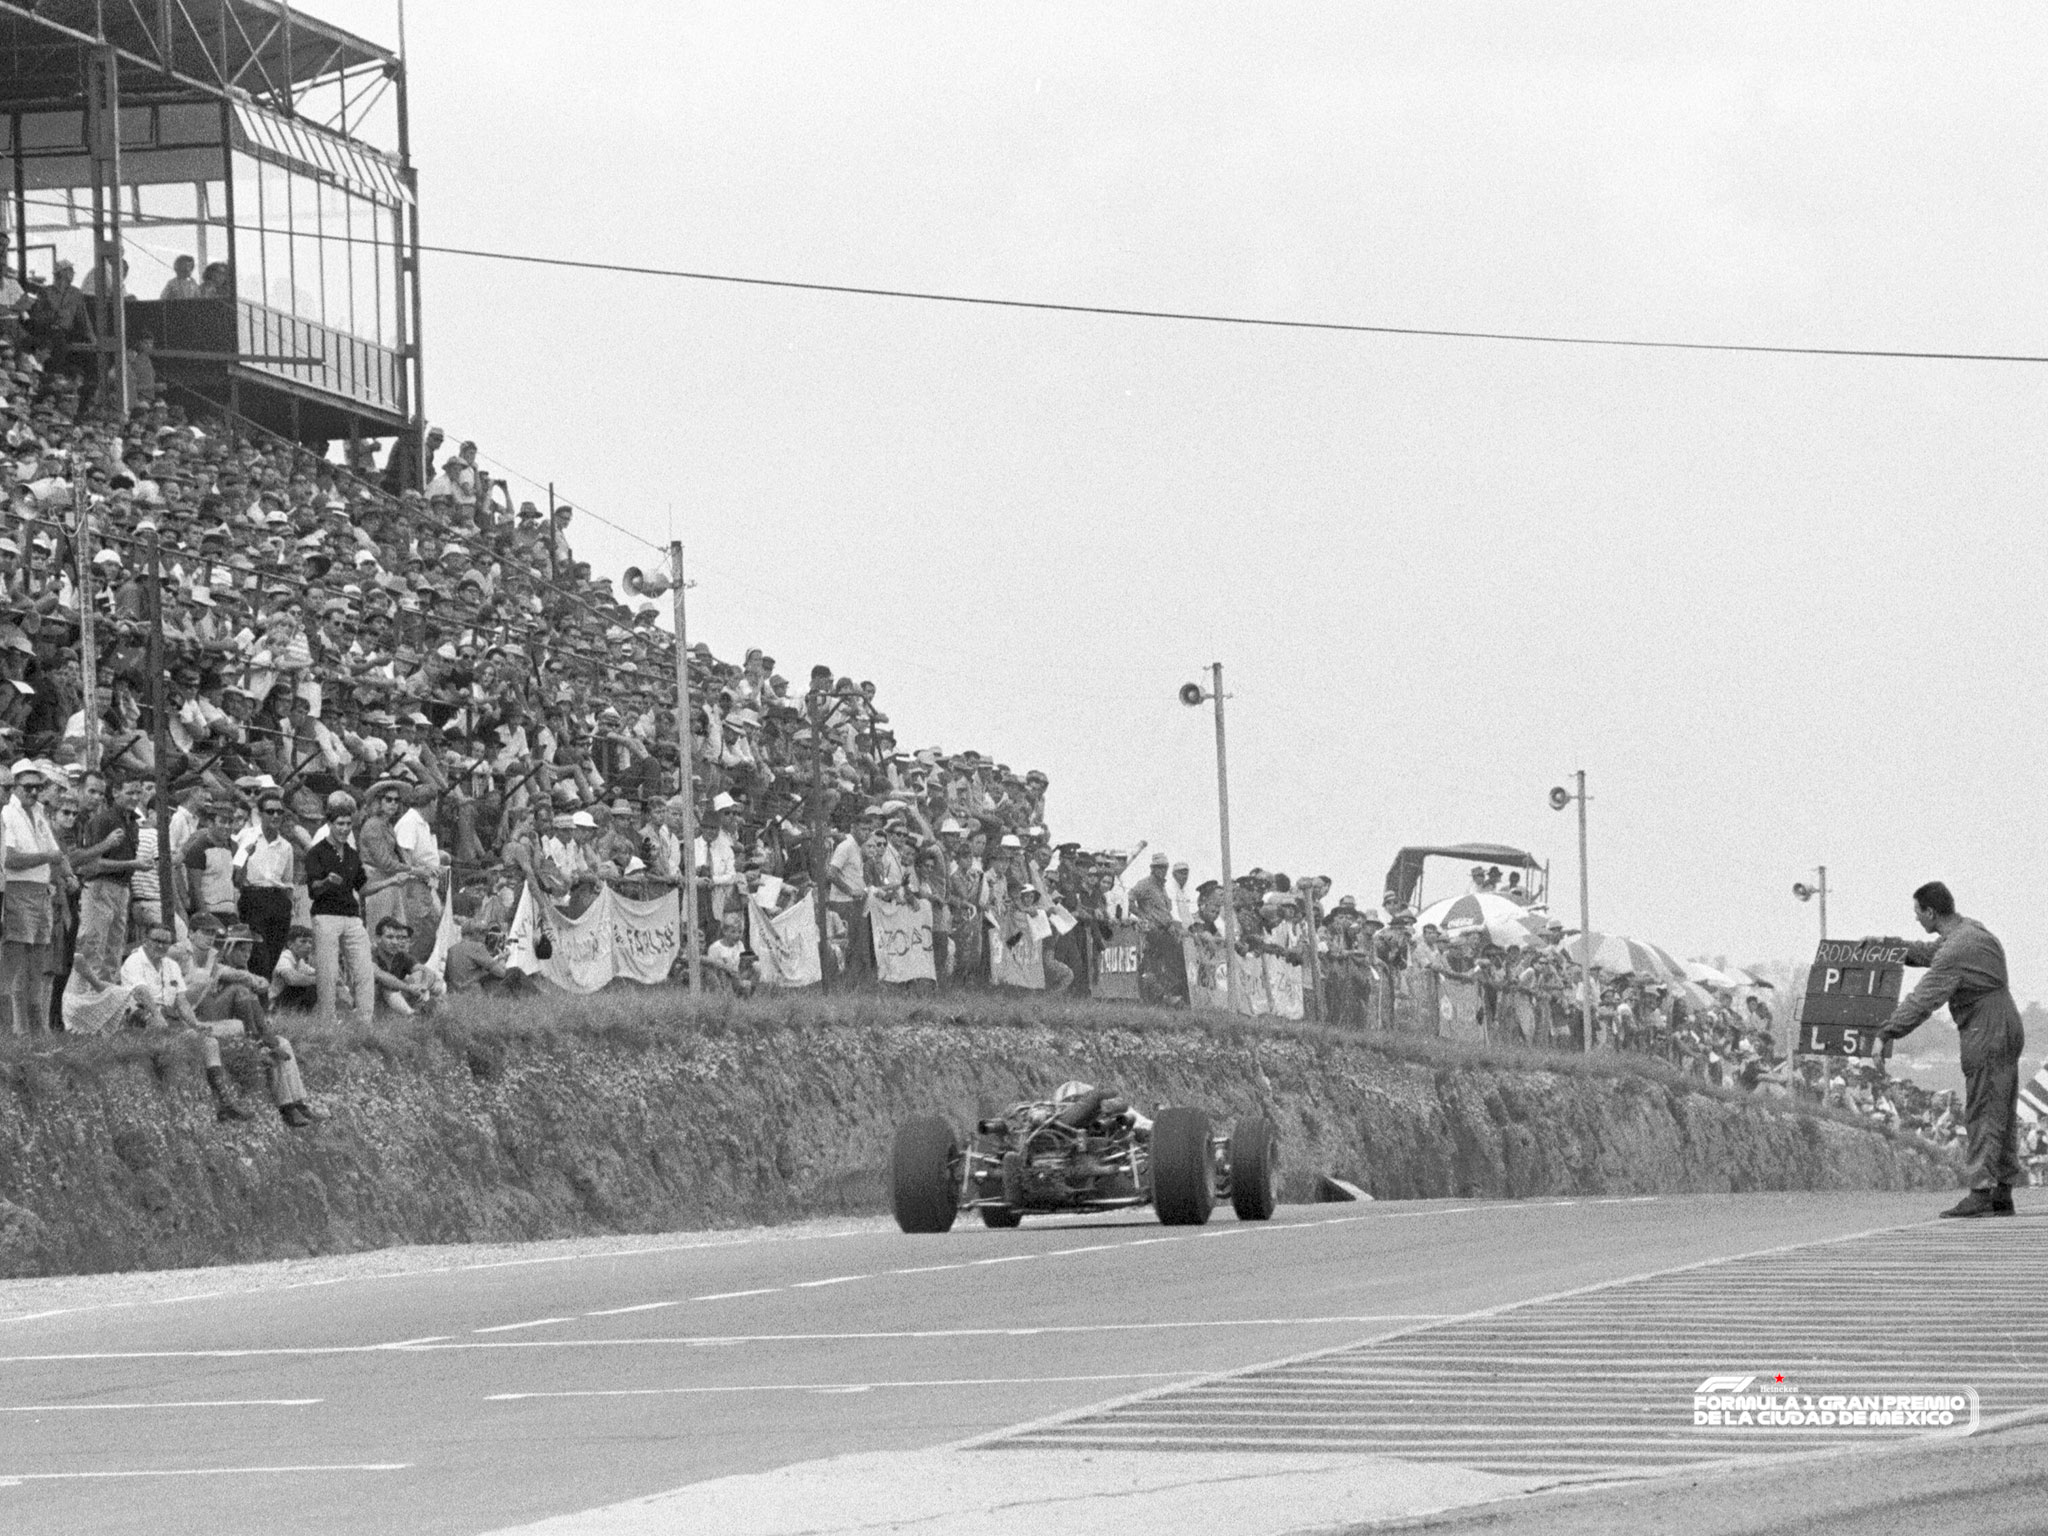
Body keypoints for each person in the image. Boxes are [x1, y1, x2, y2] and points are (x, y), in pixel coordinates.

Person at [1877, 882, 2025, 1218]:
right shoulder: (1970, 931)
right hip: (2005, 1023)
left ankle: (1980, 1191)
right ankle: (2003, 1190)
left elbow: (1923, 999)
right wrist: (1886, 948)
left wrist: (1887, 1031)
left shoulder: (1957, 949)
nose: (1916, 920)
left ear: (1930, 912)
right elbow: (1929, 954)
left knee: (1982, 1108)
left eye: (1917, 912)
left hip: (1985, 1029)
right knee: (2000, 1107)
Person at [120, 923, 253, 1122]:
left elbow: (181, 1001)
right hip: (140, 1015)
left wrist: (195, 1023)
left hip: (169, 1016)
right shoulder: (134, 961)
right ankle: (179, 1105)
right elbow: (141, 992)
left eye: (165, 942)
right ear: (146, 941)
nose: (161, 945)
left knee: (209, 1042)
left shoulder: (171, 965)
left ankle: (226, 1101)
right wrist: (156, 1015)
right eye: (156, 940)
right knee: (182, 1042)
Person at [1, 758, 64, 1031]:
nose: (35, 792)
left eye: (39, 786)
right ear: (15, 787)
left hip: (40, 892)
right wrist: (46, 858)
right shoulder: (7, 813)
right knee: (15, 964)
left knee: (38, 963)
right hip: (19, 889)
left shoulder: (38, 812)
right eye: (28, 787)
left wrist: (64, 872)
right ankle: (16, 1031)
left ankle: (35, 1031)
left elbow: (57, 853)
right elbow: (11, 859)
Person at [305, 791, 374, 1027]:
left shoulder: (353, 854)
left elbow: (363, 887)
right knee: (328, 972)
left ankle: (365, 1021)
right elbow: (312, 888)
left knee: (364, 970)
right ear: (330, 824)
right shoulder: (316, 852)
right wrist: (326, 881)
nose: (345, 829)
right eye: (340, 824)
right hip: (325, 915)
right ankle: (327, 1021)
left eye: (348, 824)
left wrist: (392, 881)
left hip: (351, 916)